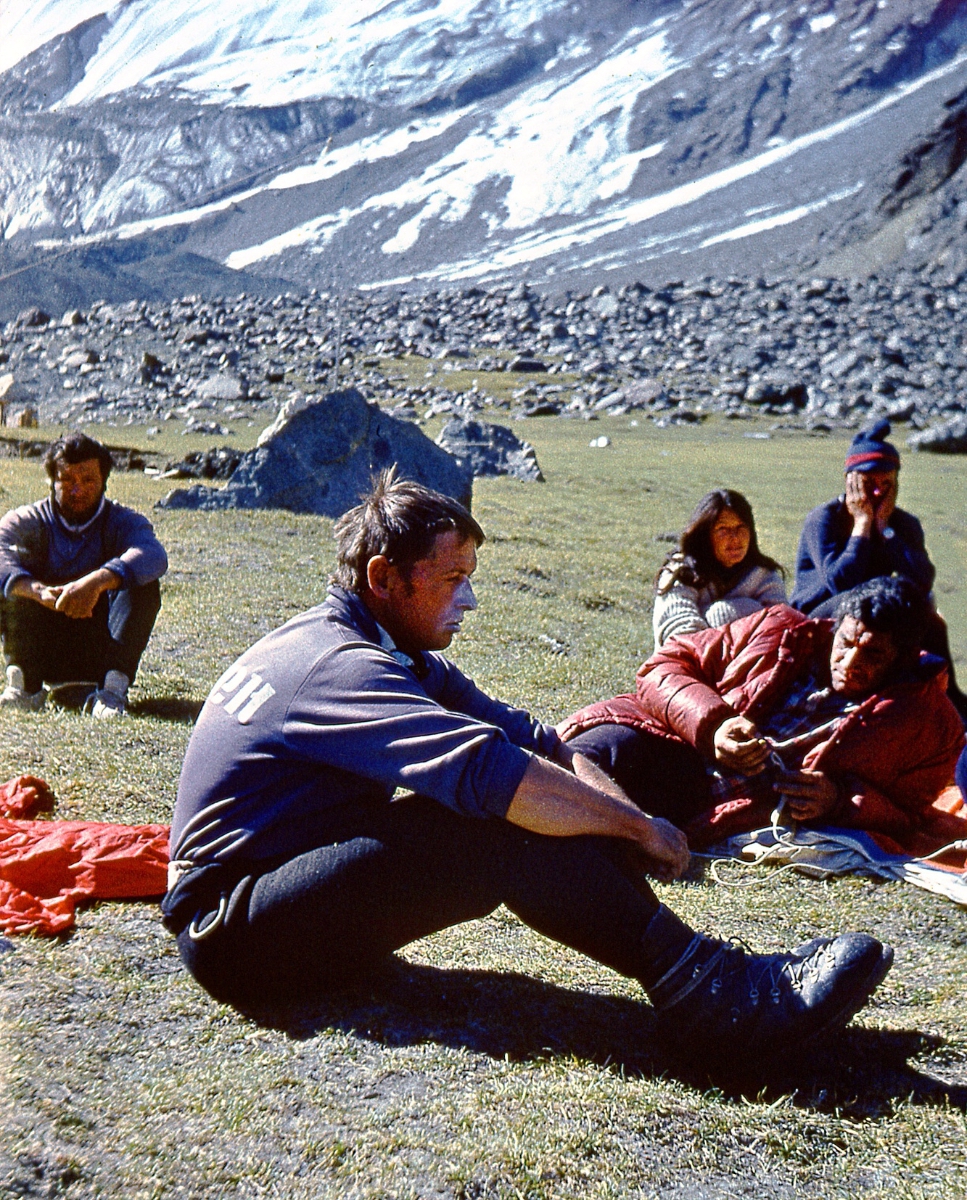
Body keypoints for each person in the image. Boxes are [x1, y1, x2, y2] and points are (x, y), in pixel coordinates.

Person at [163, 470, 891, 1069]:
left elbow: (538, 740)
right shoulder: (340, 667)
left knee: (542, 793)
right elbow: (498, 776)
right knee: (492, 821)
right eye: (451, 579)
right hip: (231, 933)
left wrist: (618, 830)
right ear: (385, 577)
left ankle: (703, 979)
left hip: (282, 884)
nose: (469, 598)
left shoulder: (384, 648)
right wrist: (636, 826)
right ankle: (710, 995)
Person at [561, 577, 965, 858]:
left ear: (904, 660)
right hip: (671, 737)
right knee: (574, 760)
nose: (849, 662)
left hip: (718, 800)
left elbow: (911, 814)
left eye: (873, 655)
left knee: (586, 821)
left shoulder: (929, 724)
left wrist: (838, 799)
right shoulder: (781, 629)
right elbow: (665, 665)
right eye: (845, 642)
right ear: (836, 626)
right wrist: (712, 724)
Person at [790, 418, 967, 717]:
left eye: (886, 484)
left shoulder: (902, 524)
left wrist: (884, 529)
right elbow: (839, 583)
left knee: (928, 616)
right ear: (851, 482)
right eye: (869, 484)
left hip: (875, 613)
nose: (877, 493)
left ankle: (946, 698)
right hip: (822, 612)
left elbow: (921, 579)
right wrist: (862, 524)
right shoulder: (825, 519)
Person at [0, 431, 167, 717]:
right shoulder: (30, 520)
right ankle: (25, 686)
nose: (77, 491)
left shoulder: (122, 522)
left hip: (101, 649)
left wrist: (97, 582)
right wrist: (37, 590)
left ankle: (111, 693)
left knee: (141, 583)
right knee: (13, 577)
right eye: (67, 481)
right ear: (52, 482)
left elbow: (153, 555)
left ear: (104, 482)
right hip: (43, 641)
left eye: (88, 480)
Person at [653, 489, 786, 648]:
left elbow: (782, 627)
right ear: (705, 535)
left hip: (752, 662)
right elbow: (679, 630)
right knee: (722, 613)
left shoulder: (763, 575)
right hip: (689, 662)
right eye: (723, 530)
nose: (735, 538)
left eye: (741, 528)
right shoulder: (681, 573)